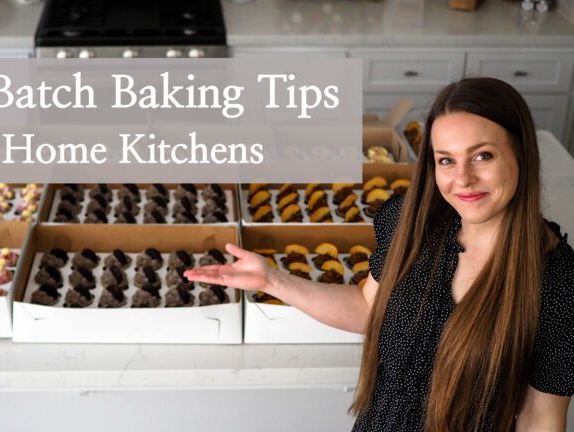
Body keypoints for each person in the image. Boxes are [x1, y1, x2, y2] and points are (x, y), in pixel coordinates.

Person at [185, 77, 574, 431]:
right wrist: (273, 280)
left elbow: (540, 418)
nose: (462, 179)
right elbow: (369, 307)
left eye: (482, 156)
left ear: (522, 154)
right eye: (446, 160)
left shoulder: (559, 282)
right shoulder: (411, 225)